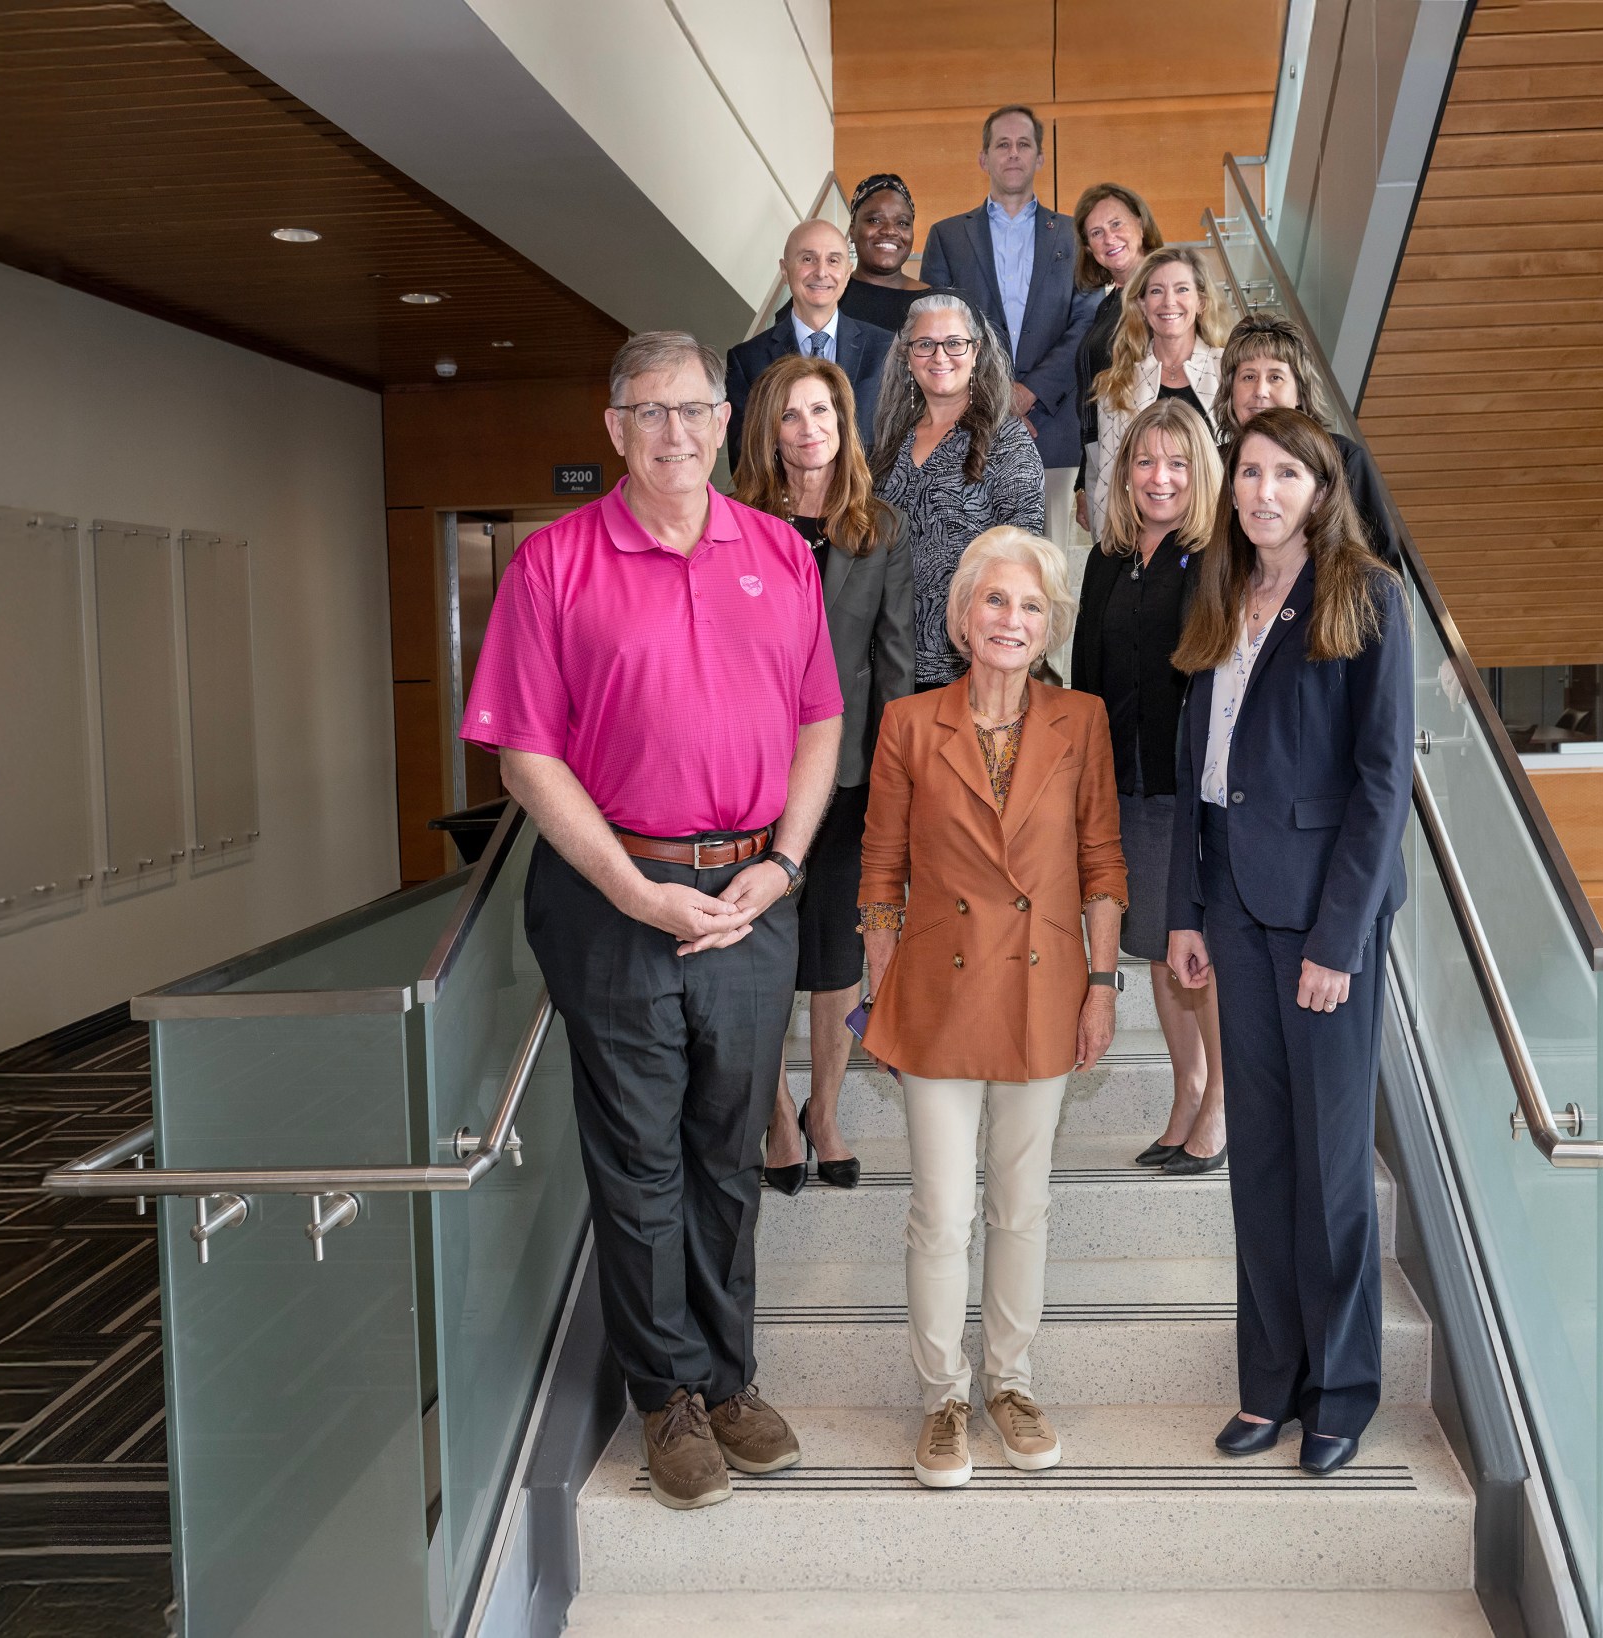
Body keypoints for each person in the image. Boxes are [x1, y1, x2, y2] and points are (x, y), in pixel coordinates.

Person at [461, 332, 844, 1510]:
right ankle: (663, 1395)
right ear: (613, 428)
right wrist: (632, 891)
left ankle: (729, 1380)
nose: (674, 432)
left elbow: (819, 723)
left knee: (728, 1155)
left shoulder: (778, 551)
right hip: (611, 903)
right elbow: (524, 754)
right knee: (637, 1160)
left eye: (692, 409)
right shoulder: (553, 566)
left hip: (747, 901)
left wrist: (781, 866)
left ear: (724, 419)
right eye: (648, 412)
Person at [1164, 407, 1413, 1478]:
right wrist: (1183, 908)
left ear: (1320, 488)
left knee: (1329, 1173)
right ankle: (1266, 1383)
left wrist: (1338, 939)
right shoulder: (1222, 592)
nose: (1260, 492)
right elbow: (1197, 773)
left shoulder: (1364, 595)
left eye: (1283, 475)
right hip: (1231, 909)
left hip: (1321, 925)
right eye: (1248, 473)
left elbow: (1379, 784)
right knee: (1258, 1161)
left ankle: (1341, 1394)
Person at [856, 526, 1127, 1489]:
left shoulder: (1082, 720)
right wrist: (881, 987)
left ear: (1051, 624)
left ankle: (1009, 1384)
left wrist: (1102, 983)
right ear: (963, 616)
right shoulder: (906, 722)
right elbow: (880, 869)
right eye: (995, 601)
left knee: (1022, 1207)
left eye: (1031, 606)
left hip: (1047, 986)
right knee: (940, 1213)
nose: (1012, 620)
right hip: (937, 994)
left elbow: (1101, 862)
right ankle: (943, 1397)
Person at [731, 352, 914, 1194]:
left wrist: (893, 787)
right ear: (769, 429)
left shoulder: (880, 529)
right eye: (793, 415)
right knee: (762, 958)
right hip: (746, 783)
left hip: (843, 785)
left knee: (838, 958)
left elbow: (895, 664)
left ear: (846, 428)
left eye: (825, 414)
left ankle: (827, 1112)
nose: (811, 430)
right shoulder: (729, 524)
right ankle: (774, 1114)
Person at [1069, 399, 1227, 1175]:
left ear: (1200, 474)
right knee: (1161, 952)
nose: (1159, 477)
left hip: (1188, 788)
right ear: (1123, 472)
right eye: (1143, 461)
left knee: (1197, 950)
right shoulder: (1106, 559)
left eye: (1176, 463)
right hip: (1124, 786)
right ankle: (1186, 1089)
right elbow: (1085, 679)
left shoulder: (1219, 557)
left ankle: (1220, 1106)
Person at [918, 105, 1097, 521]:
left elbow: (1086, 323)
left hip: (1051, 426)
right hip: (968, 426)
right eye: (1002, 144)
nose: (1013, 153)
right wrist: (998, 396)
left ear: (1039, 158)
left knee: (1046, 567)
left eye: (1023, 144)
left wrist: (1030, 390)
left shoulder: (1074, 235)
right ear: (984, 158)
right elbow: (938, 329)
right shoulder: (947, 237)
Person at [873, 293, 1046, 691]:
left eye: (954, 343)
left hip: (970, 668)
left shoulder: (1007, 442)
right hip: (889, 664)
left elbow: (1026, 560)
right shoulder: (889, 441)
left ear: (976, 351)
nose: (940, 357)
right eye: (924, 344)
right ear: (906, 355)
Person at [1212, 315, 1401, 565]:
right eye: (1248, 377)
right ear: (1230, 391)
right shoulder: (1214, 462)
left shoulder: (1343, 457)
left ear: (1300, 392)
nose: (1260, 391)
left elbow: (1381, 564)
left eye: (1275, 377)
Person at [726, 218, 892, 463]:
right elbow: (746, 460)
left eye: (833, 260)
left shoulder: (887, 349)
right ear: (785, 270)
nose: (822, 272)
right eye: (807, 259)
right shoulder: (747, 361)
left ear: (848, 273)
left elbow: (896, 446)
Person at [1087, 247, 1228, 531]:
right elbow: (1109, 477)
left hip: (1218, 537)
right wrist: (1107, 550)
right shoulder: (1117, 384)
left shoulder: (1228, 371)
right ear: (1141, 304)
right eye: (1156, 291)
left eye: (1182, 289)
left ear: (1201, 302)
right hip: (1144, 542)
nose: (1169, 302)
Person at [1070, 182, 1164, 536]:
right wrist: (1084, 480)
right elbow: (1092, 401)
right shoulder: (1108, 304)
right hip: (1103, 458)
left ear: (1140, 224)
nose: (1108, 238)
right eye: (1096, 232)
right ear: (1089, 248)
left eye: (1116, 224)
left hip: (1150, 457)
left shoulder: (1164, 289)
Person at [839, 172, 930, 334]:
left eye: (902, 223)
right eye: (875, 220)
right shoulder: (831, 296)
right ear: (852, 230)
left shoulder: (933, 303)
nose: (890, 231)